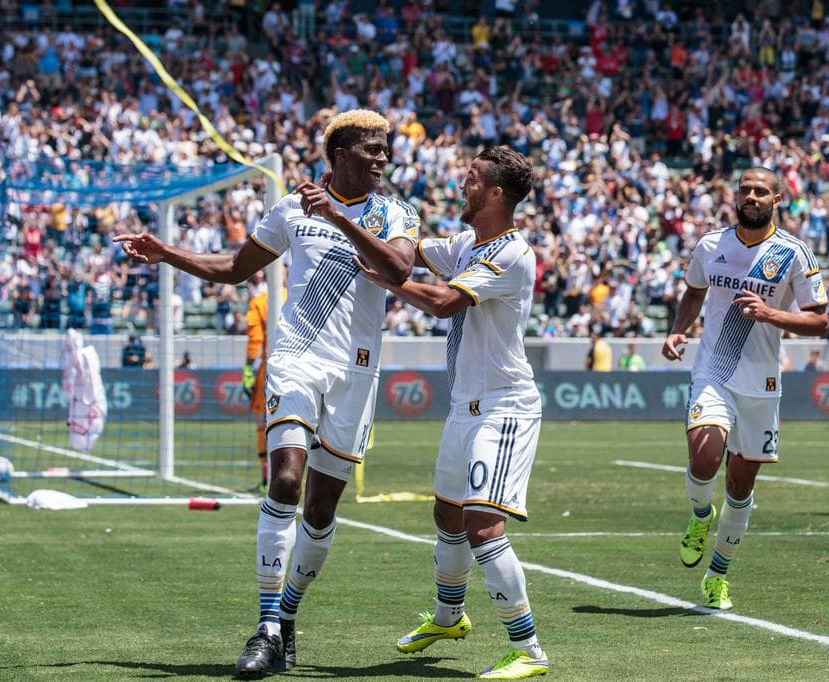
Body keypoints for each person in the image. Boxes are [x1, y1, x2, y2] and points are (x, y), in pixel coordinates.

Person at [115, 109, 418, 677]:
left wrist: (341, 219)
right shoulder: (291, 211)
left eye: (385, 149)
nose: (381, 158)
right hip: (296, 359)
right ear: (338, 154)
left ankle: (288, 616)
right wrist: (167, 253)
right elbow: (233, 267)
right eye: (370, 149)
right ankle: (266, 627)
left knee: (323, 507)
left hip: (356, 373)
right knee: (285, 478)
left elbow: (399, 270)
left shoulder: (395, 211)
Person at [358, 146, 550, 679]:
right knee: (447, 513)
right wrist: (366, 228)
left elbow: (444, 303)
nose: (460, 186)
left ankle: (528, 649)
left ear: (495, 193)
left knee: (483, 524)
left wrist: (386, 280)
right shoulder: (468, 242)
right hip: (464, 406)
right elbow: (411, 253)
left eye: (470, 180)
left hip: (505, 407)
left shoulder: (512, 253)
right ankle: (449, 617)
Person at [661, 167, 829, 610]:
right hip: (713, 369)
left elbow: (820, 320)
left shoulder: (794, 253)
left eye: (761, 191)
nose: (751, 196)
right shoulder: (711, 245)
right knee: (706, 455)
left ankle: (718, 575)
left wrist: (771, 314)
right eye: (745, 189)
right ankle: (700, 516)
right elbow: (693, 293)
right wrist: (679, 330)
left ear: (778, 199)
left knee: (739, 485)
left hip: (762, 383)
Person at [244, 287, 270, 492]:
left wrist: (248, 370)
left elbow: (256, 339)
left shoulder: (261, 302)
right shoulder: (301, 293)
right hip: (306, 364)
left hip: (271, 366)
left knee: (263, 422)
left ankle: (267, 479)